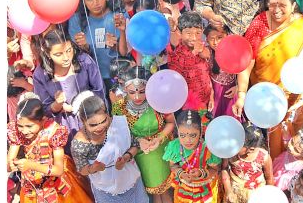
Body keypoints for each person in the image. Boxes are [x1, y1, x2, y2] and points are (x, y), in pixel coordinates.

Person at [235, 0, 303, 158]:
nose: (276, 10)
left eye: (282, 6)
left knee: (292, 138)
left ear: (294, 5)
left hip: (293, 97)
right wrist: (242, 94)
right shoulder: (259, 23)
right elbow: (247, 61)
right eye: (272, 5)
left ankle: (287, 173)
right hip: (261, 96)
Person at [7, 94, 94, 203]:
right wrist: (11, 165)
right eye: (20, 126)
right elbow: (8, 164)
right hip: (31, 184)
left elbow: (58, 170)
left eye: (29, 126)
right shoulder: (16, 131)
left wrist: (31, 165)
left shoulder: (54, 132)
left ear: (43, 120)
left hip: (56, 181)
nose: (24, 131)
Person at [70, 92, 149, 202]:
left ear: (107, 114)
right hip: (105, 191)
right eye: (93, 125)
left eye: (104, 121)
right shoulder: (79, 143)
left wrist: (126, 158)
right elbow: (82, 169)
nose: (100, 127)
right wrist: (93, 168)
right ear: (82, 121)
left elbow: (135, 144)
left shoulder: (119, 124)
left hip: (131, 181)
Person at [112, 66, 175, 202]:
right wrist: (139, 141)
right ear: (124, 90)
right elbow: (119, 134)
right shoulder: (119, 107)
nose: (137, 97)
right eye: (131, 92)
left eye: (142, 92)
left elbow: (171, 123)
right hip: (138, 153)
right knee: (154, 193)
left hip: (162, 149)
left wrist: (158, 138)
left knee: (165, 190)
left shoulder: (157, 100)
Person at [32, 29, 106, 143]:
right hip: (63, 126)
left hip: (92, 118)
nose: (66, 57)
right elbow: (45, 108)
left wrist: (77, 106)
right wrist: (58, 104)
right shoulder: (41, 74)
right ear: (47, 54)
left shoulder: (84, 61)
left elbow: (99, 90)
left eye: (69, 50)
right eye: (58, 54)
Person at [68, 0, 130, 91]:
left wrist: (119, 38)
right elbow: (74, 55)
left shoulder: (119, 16)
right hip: (90, 79)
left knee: (120, 108)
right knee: (98, 108)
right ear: (83, 0)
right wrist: (84, 46)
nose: (95, 3)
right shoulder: (76, 20)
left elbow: (125, 52)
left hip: (118, 77)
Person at [163, 109, 222, 202]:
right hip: (183, 188)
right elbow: (173, 165)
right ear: (177, 132)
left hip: (204, 190)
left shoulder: (207, 148)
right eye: (182, 135)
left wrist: (201, 174)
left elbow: (214, 169)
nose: (187, 140)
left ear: (201, 131)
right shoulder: (175, 146)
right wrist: (181, 174)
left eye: (193, 135)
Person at [168, 11, 214, 112]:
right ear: (180, 32)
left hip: (205, 100)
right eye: (188, 33)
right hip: (186, 106)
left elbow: (207, 74)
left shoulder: (202, 47)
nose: (193, 38)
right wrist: (194, 53)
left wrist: (211, 94)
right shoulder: (176, 52)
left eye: (198, 33)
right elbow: (180, 74)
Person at [221, 123, 275, 203]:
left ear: (251, 149)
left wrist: (268, 197)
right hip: (235, 194)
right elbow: (224, 168)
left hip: (256, 196)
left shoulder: (263, 157)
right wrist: (228, 190)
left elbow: (269, 178)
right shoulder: (230, 152)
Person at [205, 24, 239, 119]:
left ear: (227, 36)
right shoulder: (207, 53)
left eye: (219, 37)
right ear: (207, 39)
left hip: (231, 93)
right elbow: (204, 76)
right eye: (212, 39)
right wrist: (211, 93)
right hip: (214, 93)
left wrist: (238, 87)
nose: (215, 42)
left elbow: (244, 71)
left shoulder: (235, 51)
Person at [273, 128, 303, 192]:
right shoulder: (298, 147)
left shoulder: (300, 171)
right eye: (292, 141)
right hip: (276, 165)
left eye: (296, 150)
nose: (290, 147)